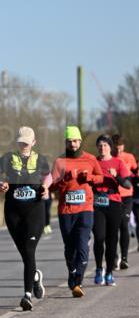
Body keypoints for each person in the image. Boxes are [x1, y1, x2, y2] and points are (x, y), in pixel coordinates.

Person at [0, 127, 51, 311]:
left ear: (33, 142)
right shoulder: (7, 158)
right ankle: (35, 277)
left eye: (27, 142)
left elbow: (49, 176)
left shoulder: (41, 159)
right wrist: (1, 183)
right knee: (25, 253)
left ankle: (27, 295)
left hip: (34, 212)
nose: (24, 145)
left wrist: (45, 186)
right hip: (13, 212)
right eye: (21, 142)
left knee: (29, 251)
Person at [50, 126, 103, 298]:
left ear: (80, 141)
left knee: (82, 246)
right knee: (70, 247)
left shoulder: (90, 159)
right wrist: (64, 179)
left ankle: (78, 281)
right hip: (66, 210)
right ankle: (72, 272)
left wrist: (90, 178)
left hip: (85, 209)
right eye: (69, 141)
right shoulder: (59, 161)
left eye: (75, 141)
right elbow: (51, 186)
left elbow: (100, 177)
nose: (72, 144)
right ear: (65, 142)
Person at [92, 134, 131, 286]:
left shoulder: (118, 162)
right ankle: (98, 269)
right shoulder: (92, 162)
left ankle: (109, 272)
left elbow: (128, 185)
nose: (102, 148)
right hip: (97, 204)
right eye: (100, 145)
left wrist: (117, 177)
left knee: (111, 240)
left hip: (114, 203)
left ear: (110, 147)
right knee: (99, 237)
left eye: (105, 145)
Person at [111, 134, 137, 270]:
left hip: (127, 196)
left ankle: (124, 258)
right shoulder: (109, 158)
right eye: (116, 150)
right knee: (113, 229)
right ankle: (114, 257)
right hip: (113, 197)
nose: (118, 153)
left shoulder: (129, 157)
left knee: (124, 225)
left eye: (120, 149)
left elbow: (135, 171)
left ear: (124, 147)